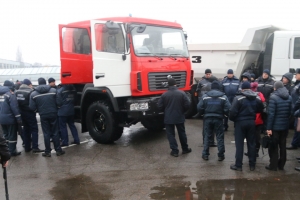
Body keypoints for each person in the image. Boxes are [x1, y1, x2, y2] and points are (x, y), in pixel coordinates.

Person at [229, 81, 264, 171]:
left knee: (239, 144)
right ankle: (252, 165)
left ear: (242, 89)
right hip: (252, 122)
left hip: (240, 123)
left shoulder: (238, 98)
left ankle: (238, 165)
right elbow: (261, 108)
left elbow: (232, 112)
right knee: (251, 144)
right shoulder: (256, 98)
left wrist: (235, 119)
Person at [29, 78, 65, 157]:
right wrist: (56, 108)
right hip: (53, 113)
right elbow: (59, 102)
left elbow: (32, 107)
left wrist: (38, 111)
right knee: (55, 132)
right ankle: (58, 150)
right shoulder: (53, 91)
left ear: (38, 83)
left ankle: (47, 151)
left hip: (43, 115)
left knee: (46, 133)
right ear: (45, 82)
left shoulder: (33, 94)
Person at [157, 78, 191, 157]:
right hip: (179, 116)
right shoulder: (181, 93)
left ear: (168, 85)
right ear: (175, 84)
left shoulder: (164, 94)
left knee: (170, 134)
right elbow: (188, 104)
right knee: (182, 133)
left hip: (168, 118)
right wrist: (183, 111)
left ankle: (174, 151)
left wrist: (166, 111)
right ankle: (185, 149)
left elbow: (159, 106)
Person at [197, 81, 231, 161]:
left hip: (207, 118)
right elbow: (228, 108)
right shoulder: (223, 97)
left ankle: (205, 154)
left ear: (211, 87)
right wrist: (224, 114)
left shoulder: (205, 96)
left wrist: (203, 113)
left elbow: (199, 107)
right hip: (218, 119)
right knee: (219, 136)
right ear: (219, 88)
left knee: (207, 136)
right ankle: (221, 155)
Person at [266, 81, 292, 171]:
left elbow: (271, 115)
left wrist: (269, 128)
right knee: (283, 145)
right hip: (285, 126)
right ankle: (281, 165)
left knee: (273, 146)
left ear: (275, 88)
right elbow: (290, 112)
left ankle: (273, 166)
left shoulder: (273, 98)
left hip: (275, 127)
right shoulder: (289, 97)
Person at [15, 79, 44, 153]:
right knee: (34, 129)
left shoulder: (17, 91)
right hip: (30, 113)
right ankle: (35, 147)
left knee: (26, 130)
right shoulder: (30, 92)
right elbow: (32, 104)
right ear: (29, 84)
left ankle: (27, 147)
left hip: (21, 113)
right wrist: (35, 110)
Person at [196, 69, 219, 146]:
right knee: (206, 127)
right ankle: (205, 142)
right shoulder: (201, 81)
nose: (208, 75)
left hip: (213, 104)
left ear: (211, 74)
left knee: (213, 126)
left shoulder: (215, 81)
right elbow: (198, 91)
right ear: (205, 74)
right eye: (207, 74)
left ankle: (212, 142)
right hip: (205, 104)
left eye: (209, 74)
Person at [0, 80, 22, 156]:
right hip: (10, 118)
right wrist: (18, 118)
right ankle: (12, 151)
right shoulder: (10, 95)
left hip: (1, 119)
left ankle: (6, 151)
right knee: (12, 135)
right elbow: (14, 108)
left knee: (5, 135)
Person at [244, 82, 266, 157]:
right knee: (257, 136)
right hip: (259, 119)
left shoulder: (248, 95)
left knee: (250, 136)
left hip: (252, 118)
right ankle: (256, 151)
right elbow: (263, 105)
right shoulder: (260, 95)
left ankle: (251, 151)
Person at [287, 68, 300, 149]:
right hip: (295, 109)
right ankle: (295, 144)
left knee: (298, 128)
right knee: (297, 128)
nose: (295, 76)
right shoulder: (297, 84)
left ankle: (295, 144)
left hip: (298, 110)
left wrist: (295, 109)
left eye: (297, 74)